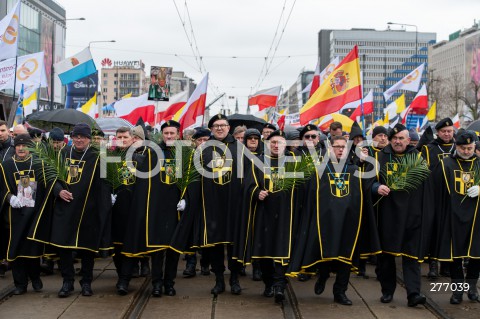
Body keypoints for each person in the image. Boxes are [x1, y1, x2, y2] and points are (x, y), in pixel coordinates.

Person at [288, 135, 380, 306]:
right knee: (326, 254)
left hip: (349, 221)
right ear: (329, 149)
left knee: (345, 257)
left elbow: (369, 185)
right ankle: (322, 276)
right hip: (325, 221)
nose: (339, 149)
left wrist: (365, 162)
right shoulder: (320, 168)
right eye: (336, 146)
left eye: (343, 147)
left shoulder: (355, 168)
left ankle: (340, 292)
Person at [29, 123, 112, 298]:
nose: (79, 139)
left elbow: (105, 184)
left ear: (89, 139)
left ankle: (87, 282)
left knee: (87, 249)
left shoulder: (99, 156)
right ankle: (67, 281)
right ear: (72, 138)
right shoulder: (62, 153)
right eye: (76, 136)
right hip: (65, 208)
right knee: (64, 247)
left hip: (88, 210)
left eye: (83, 136)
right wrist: (58, 190)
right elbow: (50, 176)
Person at [372, 124, 431, 307]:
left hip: (412, 215)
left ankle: (414, 294)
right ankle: (387, 291)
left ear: (408, 140)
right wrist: (376, 187)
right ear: (390, 140)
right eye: (395, 138)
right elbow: (368, 183)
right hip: (387, 215)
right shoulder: (379, 157)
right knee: (387, 257)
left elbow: (426, 188)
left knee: (411, 257)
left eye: (402, 138)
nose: (398, 141)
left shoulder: (418, 158)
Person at [122, 120, 182, 297]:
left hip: (177, 208)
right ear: (162, 135)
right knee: (157, 248)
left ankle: (169, 283)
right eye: (166, 133)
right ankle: (156, 283)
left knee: (173, 250)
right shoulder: (153, 152)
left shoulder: (185, 153)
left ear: (178, 134)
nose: (169, 136)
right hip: (156, 207)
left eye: (172, 133)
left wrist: (186, 199)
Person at [239, 130, 300, 303]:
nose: (276, 145)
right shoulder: (257, 161)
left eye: (279, 142)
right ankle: (268, 283)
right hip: (263, 212)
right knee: (264, 251)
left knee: (282, 250)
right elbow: (247, 184)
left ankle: (280, 286)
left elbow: (303, 188)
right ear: (267, 143)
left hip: (286, 213)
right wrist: (256, 192)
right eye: (273, 142)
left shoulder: (294, 161)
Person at [197, 114, 245, 296]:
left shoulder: (239, 148)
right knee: (215, 244)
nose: (219, 128)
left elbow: (248, 175)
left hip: (234, 204)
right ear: (211, 129)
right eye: (216, 125)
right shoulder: (204, 149)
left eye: (223, 125)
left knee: (234, 243)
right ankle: (218, 279)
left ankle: (234, 278)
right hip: (212, 204)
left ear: (228, 128)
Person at [0, 134, 54, 295]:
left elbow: (47, 187)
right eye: (18, 145)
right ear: (14, 147)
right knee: (16, 250)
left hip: (34, 214)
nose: (21, 148)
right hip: (14, 214)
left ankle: (35, 278)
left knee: (32, 250)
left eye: (24, 146)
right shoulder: (5, 166)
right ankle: (20, 284)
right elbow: (1, 188)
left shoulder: (39, 164)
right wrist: (9, 198)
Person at [430, 130, 480, 304]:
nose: (466, 151)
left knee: (476, 255)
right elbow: (435, 191)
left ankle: (472, 288)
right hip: (453, 216)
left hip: (476, 218)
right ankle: (458, 291)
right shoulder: (446, 164)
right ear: (456, 146)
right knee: (455, 256)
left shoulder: (479, 163)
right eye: (463, 148)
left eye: (470, 148)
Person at [421, 118, 456, 279]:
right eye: (444, 131)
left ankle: (447, 265)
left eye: (449, 131)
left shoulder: (458, 148)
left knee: (450, 230)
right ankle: (433, 264)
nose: (447, 134)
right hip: (434, 195)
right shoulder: (429, 149)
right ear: (438, 133)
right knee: (434, 229)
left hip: (454, 196)